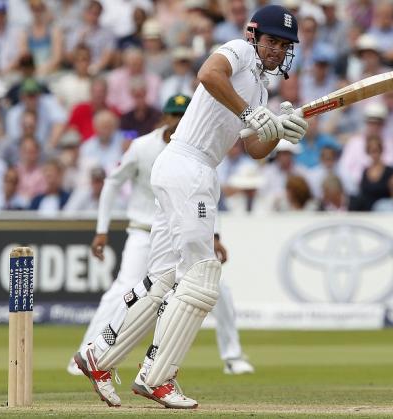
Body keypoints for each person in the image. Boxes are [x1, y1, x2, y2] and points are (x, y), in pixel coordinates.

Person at [74, 5, 307, 409]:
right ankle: (158, 376)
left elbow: (253, 148)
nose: (276, 50)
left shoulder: (261, 89)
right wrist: (253, 112)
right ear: (255, 36)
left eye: (284, 45)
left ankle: (98, 356)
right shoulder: (236, 51)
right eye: (272, 41)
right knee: (201, 275)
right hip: (189, 166)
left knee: (164, 275)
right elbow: (207, 74)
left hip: (187, 168)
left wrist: (279, 129)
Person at [67, 94, 254, 377]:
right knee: (123, 289)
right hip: (143, 232)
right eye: (174, 115)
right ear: (164, 118)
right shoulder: (142, 147)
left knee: (217, 289)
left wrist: (215, 235)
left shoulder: (200, 148)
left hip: (182, 229)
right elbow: (112, 183)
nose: (179, 121)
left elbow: (206, 194)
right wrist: (102, 230)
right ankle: (86, 353)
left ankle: (233, 356)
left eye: (184, 115)